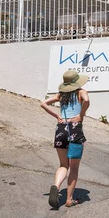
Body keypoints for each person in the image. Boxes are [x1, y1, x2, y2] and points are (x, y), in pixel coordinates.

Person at [40, 70, 90, 209]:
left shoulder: (61, 95)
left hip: (61, 129)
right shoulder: (81, 92)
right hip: (75, 130)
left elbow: (43, 104)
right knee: (74, 167)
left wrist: (57, 116)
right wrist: (81, 114)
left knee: (63, 165)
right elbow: (86, 100)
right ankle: (69, 199)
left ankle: (56, 186)